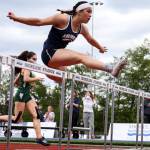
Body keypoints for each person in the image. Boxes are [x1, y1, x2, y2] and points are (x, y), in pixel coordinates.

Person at [7, 1, 127, 83]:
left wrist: (100, 47)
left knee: (62, 79)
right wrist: (16, 18)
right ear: (79, 12)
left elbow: (90, 39)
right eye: (88, 11)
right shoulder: (63, 18)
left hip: (59, 58)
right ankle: (111, 69)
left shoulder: (82, 28)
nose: (90, 15)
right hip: (50, 52)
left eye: (92, 12)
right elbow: (39, 21)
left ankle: (37, 67)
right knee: (82, 57)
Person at [0, 51, 49, 146]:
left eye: (36, 59)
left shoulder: (26, 67)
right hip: (21, 95)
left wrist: (27, 84)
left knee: (36, 115)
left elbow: (16, 82)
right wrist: (36, 79)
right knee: (16, 120)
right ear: (28, 59)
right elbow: (26, 79)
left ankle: (39, 138)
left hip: (27, 95)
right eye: (33, 59)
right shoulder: (26, 67)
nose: (35, 61)